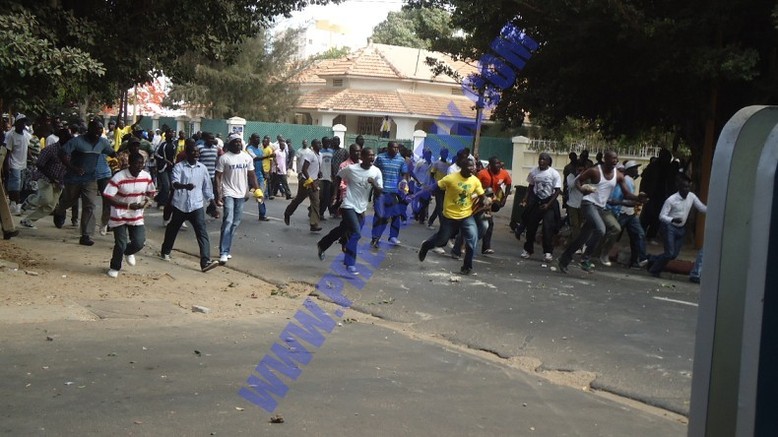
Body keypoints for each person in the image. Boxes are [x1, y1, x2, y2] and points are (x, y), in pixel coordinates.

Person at [557, 150, 647, 274]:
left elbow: (626, 194)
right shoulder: (595, 171)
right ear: (605, 159)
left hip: (600, 207)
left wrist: (638, 199)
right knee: (601, 229)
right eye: (612, 158)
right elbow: (578, 180)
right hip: (588, 204)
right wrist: (582, 189)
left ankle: (563, 260)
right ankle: (586, 258)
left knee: (582, 238)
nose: (614, 161)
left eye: (616, 158)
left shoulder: (618, 175)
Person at [316, 147, 382, 274]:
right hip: (348, 205)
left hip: (361, 207)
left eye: (373, 156)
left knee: (342, 230)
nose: (372, 158)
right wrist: (335, 194)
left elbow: (380, 191)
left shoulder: (376, 172)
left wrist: (373, 183)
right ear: (362, 157)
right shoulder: (351, 169)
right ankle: (350, 263)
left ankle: (322, 245)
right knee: (356, 233)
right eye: (368, 156)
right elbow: (338, 176)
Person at [418, 155, 487, 275]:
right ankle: (426, 246)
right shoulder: (451, 178)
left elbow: (482, 195)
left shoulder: (475, 181)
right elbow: (435, 187)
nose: (472, 169)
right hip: (449, 216)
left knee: (472, 241)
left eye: (473, 166)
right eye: (470, 167)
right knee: (442, 240)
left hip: (466, 216)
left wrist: (484, 200)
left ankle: (467, 267)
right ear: (462, 168)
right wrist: (419, 194)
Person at [160, 141, 220, 272]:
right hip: (180, 205)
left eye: (198, 152)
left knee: (202, 232)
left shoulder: (202, 168)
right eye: (193, 152)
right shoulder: (179, 167)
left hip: (196, 205)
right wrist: (185, 186)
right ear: (187, 153)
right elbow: (174, 184)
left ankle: (205, 262)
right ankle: (165, 251)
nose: (196, 154)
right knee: (173, 229)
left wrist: (213, 203)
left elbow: (207, 188)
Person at [53, 120, 116, 246]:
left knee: (90, 205)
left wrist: (121, 155)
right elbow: (62, 153)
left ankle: (86, 235)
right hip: (73, 178)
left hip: (90, 178)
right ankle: (59, 211)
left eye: (100, 130)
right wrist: (72, 167)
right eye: (96, 129)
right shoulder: (77, 141)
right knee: (69, 200)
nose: (98, 132)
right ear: (89, 129)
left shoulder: (103, 142)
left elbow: (112, 152)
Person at [102, 152, 156, 278]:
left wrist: (146, 202)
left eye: (141, 163)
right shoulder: (119, 177)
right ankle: (115, 267)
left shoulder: (146, 176)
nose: (139, 166)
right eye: (137, 163)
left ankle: (128, 252)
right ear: (130, 164)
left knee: (139, 242)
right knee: (120, 243)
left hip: (136, 215)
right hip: (119, 215)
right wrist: (126, 205)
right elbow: (108, 196)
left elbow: (151, 192)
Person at [647, 176, 706, 277]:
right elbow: (661, 216)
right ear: (679, 188)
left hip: (681, 229)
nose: (686, 189)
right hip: (669, 227)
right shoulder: (671, 200)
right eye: (684, 187)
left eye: (688, 187)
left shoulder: (691, 196)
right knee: (669, 253)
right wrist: (672, 219)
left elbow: (702, 208)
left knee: (673, 255)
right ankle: (654, 270)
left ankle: (652, 259)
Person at [214, 137, 260, 263]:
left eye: (240, 142)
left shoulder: (247, 158)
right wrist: (218, 194)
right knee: (228, 220)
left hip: (241, 193)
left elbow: (252, 174)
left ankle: (227, 249)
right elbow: (218, 177)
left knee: (235, 222)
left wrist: (257, 190)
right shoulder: (224, 158)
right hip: (228, 192)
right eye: (235, 142)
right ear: (230, 144)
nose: (238, 144)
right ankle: (223, 252)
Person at [19, 128, 72, 229]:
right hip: (45, 178)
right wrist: (51, 177)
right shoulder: (50, 149)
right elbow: (39, 164)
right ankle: (30, 200)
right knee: (45, 200)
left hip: (59, 182)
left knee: (50, 207)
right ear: (62, 139)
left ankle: (28, 220)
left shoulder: (69, 152)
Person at [606, 161, 648, 268]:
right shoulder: (627, 180)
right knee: (615, 233)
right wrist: (637, 201)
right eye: (634, 168)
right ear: (629, 170)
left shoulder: (629, 180)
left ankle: (637, 259)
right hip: (623, 211)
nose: (636, 170)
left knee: (637, 235)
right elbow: (626, 196)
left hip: (629, 213)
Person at [370, 141, 408, 247]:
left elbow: (404, 173)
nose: (396, 150)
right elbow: (373, 171)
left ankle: (393, 236)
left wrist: (404, 182)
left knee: (396, 214)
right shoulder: (381, 158)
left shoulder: (401, 160)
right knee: (380, 215)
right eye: (393, 148)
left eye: (397, 148)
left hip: (393, 192)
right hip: (380, 191)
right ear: (388, 148)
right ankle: (375, 238)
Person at [476, 156, 512, 254]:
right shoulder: (482, 174)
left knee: (489, 222)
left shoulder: (504, 173)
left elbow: (508, 184)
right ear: (490, 165)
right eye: (495, 164)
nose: (498, 165)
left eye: (499, 163)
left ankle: (486, 247)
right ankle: (464, 243)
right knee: (479, 222)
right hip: (479, 200)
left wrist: (504, 198)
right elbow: (473, 184)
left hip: (490, 201)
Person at [284, 138, 322, 232]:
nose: (320, 145)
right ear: (313, 145)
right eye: (318, 143)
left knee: (316, 202)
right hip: (306, 181)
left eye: (320, 143)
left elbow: (315, 167)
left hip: (315, 181)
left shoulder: (320, 155)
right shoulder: (310, 154)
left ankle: (314, 224)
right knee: (299, 199)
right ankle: (287, 213)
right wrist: (310, 181)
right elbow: (304, 169)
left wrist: (319, 173)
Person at [3, 117, 32, 215]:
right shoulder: (11, 136)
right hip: (14, 164)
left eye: (24, 123)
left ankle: (13, 204)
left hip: (23, 164)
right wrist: (6, 165)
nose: (23, 125)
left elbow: (27, 149)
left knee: (19, 186)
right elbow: (8, 151)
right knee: (15, 185)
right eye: (21, 123)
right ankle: (18, 206)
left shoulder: (26, 136)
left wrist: (32, 158)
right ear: (17, 123)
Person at [245, 134, 269, 221]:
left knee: (260, 195)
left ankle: (262, 214)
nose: (258, 139)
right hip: (250, 176)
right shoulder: (249, 149)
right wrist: (269, 156)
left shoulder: (260, 150)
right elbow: (255, 159)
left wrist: (264, 173)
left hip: (259, 176)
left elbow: (261, 163)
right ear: (251, 139)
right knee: (244, 196)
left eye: (259, 137)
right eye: (256, 138)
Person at [427, 148, 450, 227]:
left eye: (446, 153)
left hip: (445, 188)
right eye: (443, 153)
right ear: (440, 154)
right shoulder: (436, 163)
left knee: (439, 206)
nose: (445, 154)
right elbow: (432, 175)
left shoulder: (448, 165)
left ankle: (431, 221)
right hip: (437, 187)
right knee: (440, 206)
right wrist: (433, 185)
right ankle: (442, 224)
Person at [318, 136, 335, 218]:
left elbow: (332, 164)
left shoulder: (331, 152)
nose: (328, 143)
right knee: (320, 196)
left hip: (328, 177)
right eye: (326, 142)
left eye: (329, 142)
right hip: (321, 177)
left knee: (327, 197)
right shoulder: (320, 152)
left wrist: (333, 174)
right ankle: (314, 210)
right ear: (323, 142)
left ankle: (321, 213)